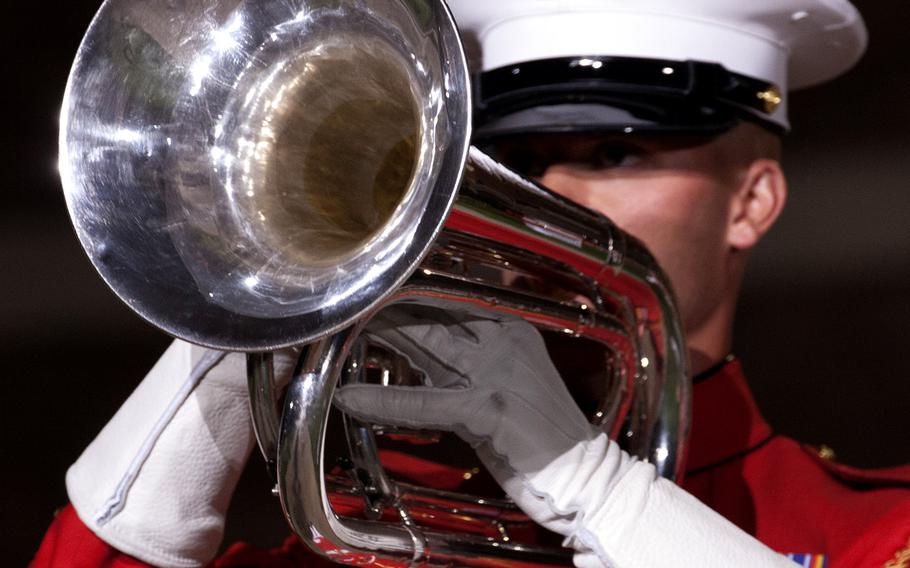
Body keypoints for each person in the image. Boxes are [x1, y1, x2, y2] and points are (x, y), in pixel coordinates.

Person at [33, 0, 910, 567]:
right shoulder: (390, 532)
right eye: (517, 161)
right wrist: (243, 305)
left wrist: (600, 491)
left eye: (615, 153)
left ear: (752, 201)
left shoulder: (872, 531)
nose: (547, 198)